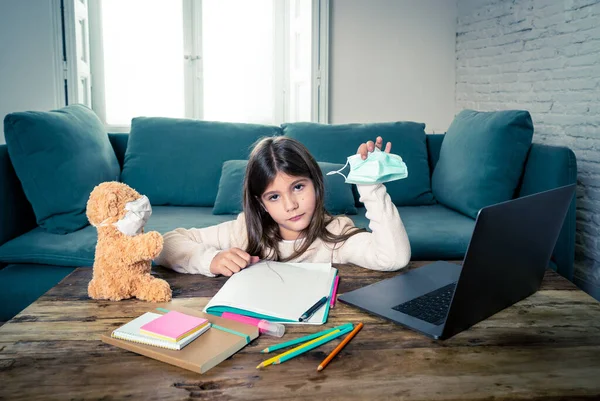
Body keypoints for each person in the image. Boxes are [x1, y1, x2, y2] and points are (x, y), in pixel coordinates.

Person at [155, 136, 411, 277]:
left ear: (316, 184)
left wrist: (370, 185)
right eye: (274, 197)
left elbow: (394, 257)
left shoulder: (335, 235)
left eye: (298, 187)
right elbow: (165, 244)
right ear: (261, 204)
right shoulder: (244, 231)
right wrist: (211, 259)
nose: (291, 205)